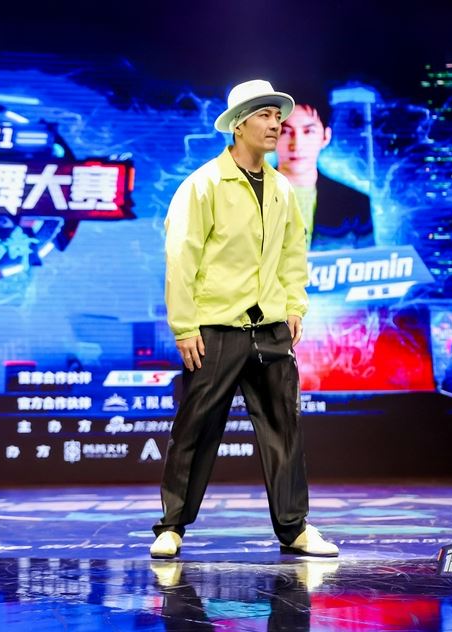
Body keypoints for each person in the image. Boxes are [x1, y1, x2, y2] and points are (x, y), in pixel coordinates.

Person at [150, 79, 338, 559]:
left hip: (270, 328)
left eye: (278, 116)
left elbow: (293, 253)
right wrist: (185, 326)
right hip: (215, 328)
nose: (276, 125)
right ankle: (171, 526)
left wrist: (294, 305)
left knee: (283, 429)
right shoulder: (204, 185)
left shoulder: (281, 188)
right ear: (238, 125)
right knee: (196, 428)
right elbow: (181, 258)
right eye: (265, 116)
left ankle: (294, 528)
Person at [276, 104, 373, 250]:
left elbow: (372, 261)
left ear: (325, 137)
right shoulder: (245, 197)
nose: (296, 144)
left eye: (308, 131)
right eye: (285, 131)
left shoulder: (356, 205)